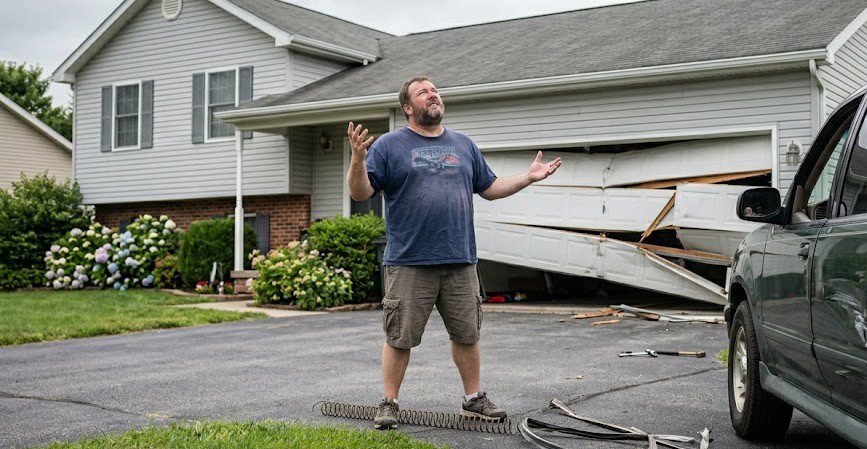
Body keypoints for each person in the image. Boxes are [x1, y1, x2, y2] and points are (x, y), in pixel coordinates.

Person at [346, 75, 562, 430]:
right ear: (408, 107)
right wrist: (357, 159)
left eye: (434, 90)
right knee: (400, 336)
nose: (432, 95)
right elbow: (359, 193)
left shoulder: (463, 144)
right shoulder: (388, 146)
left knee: (467, 334)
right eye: (423, 92)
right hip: (410, 260)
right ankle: (389, 402)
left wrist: (527, 178)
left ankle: (473, 399)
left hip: (460, 258)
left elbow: (490, 188)